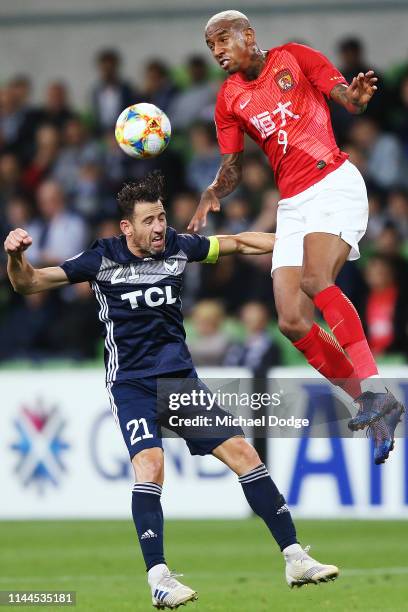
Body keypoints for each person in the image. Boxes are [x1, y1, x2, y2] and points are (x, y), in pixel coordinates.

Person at [5, 171, 338, 609]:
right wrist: (15, 257)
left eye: (162, 217)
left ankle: (294, 557)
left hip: (179, 380)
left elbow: (237, 243)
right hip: (132, 383)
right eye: (149, 220)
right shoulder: (101, 258)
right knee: (151, 463)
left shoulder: (181, 247)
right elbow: (28, 282)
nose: (160, 227)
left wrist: (297, 243)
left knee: (244, 454)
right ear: (127, 227)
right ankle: (159, 579)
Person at [188, 9, 404, 465]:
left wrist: (357, 98)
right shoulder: (229, 98)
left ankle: (374, 387)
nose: (218, 53)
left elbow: (345, 96)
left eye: (223, 41)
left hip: (333, 182)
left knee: (314, 279)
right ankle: (370, 404)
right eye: (211, 47)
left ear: (248, 35)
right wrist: (212, 190)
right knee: (290, 319)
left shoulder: (294, 58)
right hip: (293, 205)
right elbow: (232, 167)